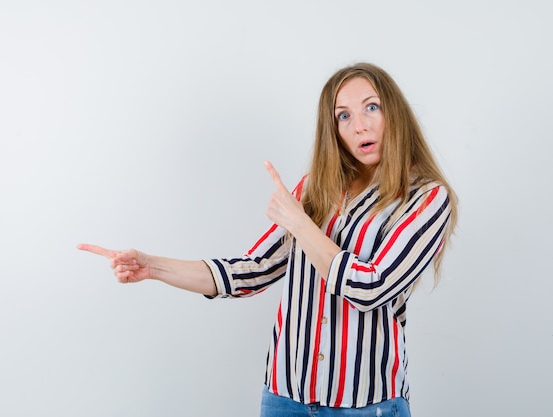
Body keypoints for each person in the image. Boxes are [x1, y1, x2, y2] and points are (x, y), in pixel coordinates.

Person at [78, 62, 457, 416]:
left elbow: (370, 287)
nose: (359, 125)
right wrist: (153, 266)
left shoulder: (426, 198)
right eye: (344, 115)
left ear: (395, 112)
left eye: (371, 107)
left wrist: (301, 223)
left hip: (364, 403)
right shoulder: (315, 188)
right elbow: (251, 270)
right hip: (284, 398)